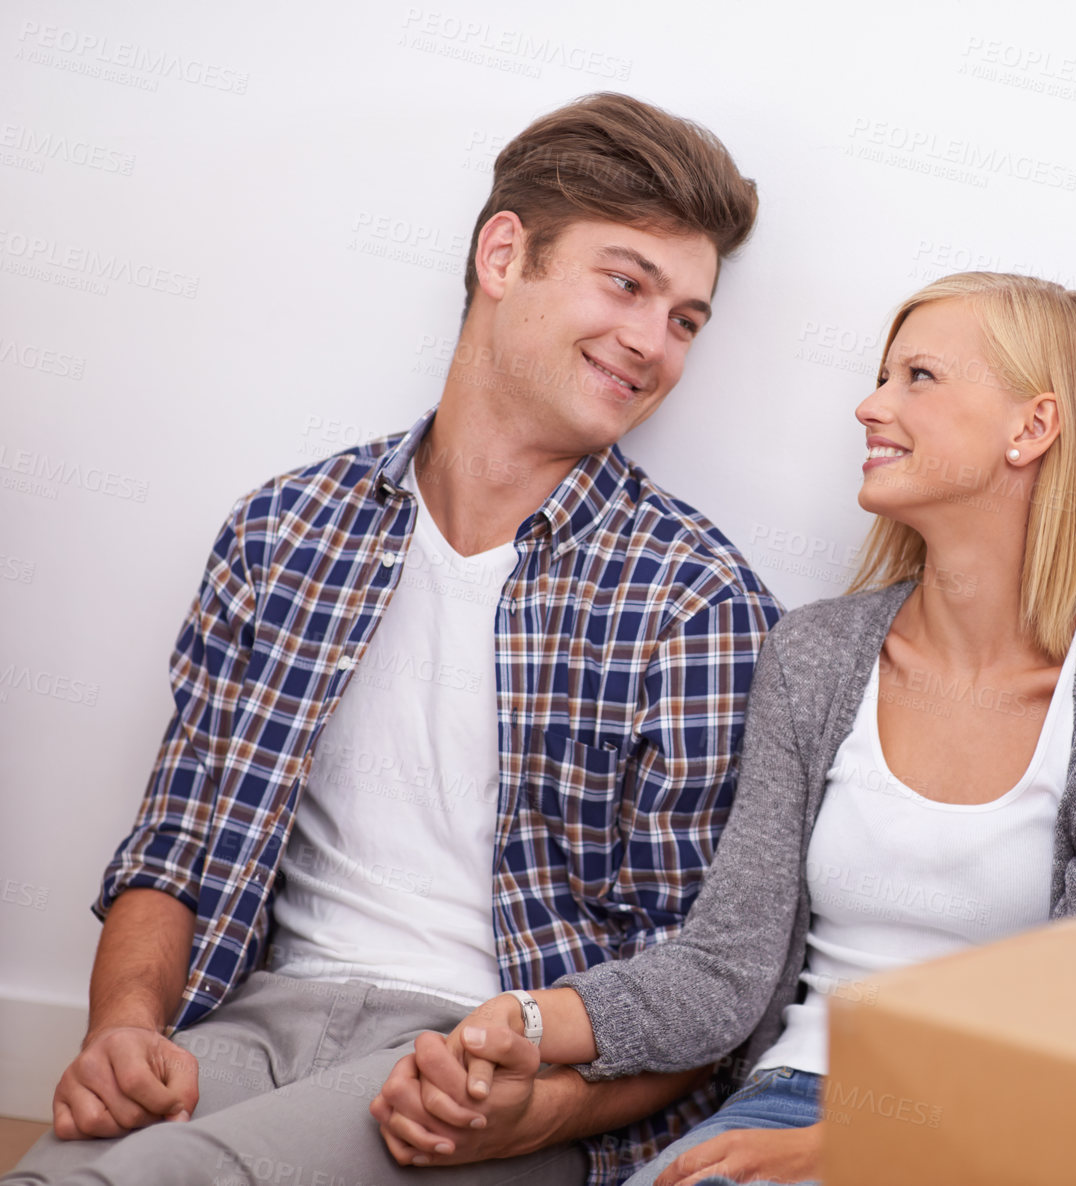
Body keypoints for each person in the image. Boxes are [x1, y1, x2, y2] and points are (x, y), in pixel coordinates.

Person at [4, 92, 782, 1186]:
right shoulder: (286, 529)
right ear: (504, 254)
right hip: (250, 1022)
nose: (652, 343)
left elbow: (700, 984)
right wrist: (124, 1029)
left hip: (480, 1068)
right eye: (625, 282)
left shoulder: (694, 600)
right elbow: (172, 845)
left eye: (686, 318)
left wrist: (528, 1112)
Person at [378, 271, 1076, 1185]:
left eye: (918, 378)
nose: (870, 406)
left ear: (1031, 427)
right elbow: (722, 969)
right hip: (781, 1101)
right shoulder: (813, 658)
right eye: (880, 376)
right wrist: (528, 1020)